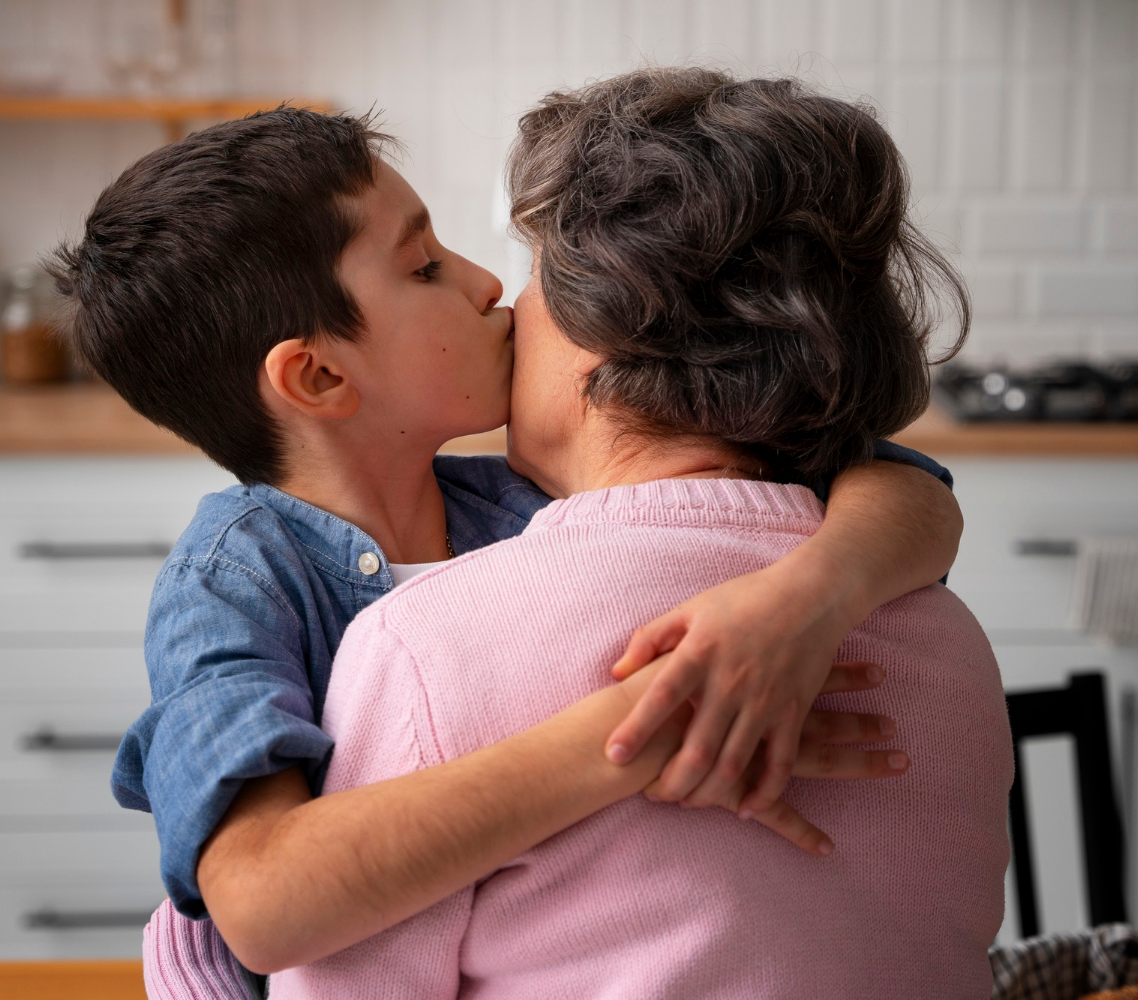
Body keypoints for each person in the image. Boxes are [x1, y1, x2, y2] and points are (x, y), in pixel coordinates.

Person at [47, 98, 961, 991]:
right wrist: (645, 728)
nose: (486, 283)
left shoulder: (527, 501)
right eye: (423, 267)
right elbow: (260, 901)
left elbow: (897, 479)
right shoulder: (236, 581)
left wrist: (802, 600)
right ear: (320, 374)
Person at [270, 69, 1011, 999]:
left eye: (537, 276)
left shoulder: (426, 643)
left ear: (609, 331)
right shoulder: (945, 639)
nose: (503, 301)